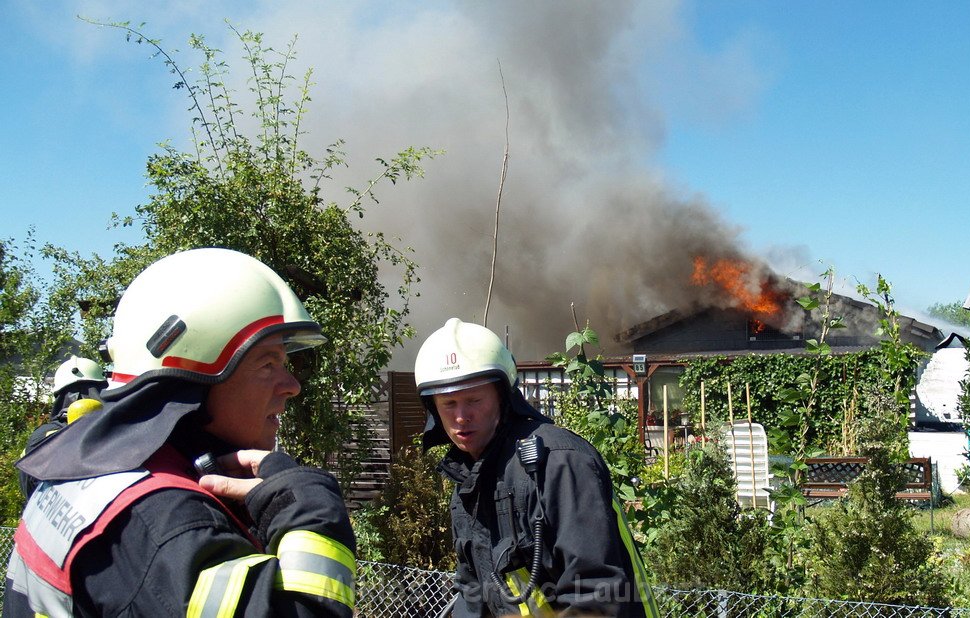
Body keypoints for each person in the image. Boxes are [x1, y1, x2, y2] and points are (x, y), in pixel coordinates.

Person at [4, 247, 356, 617]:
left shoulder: (85, 465)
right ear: (191, 382)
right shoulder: (167, 526)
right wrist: (307, 503)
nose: (292, 385)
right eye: (267, 363)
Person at [415, 318, 660, 617]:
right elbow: (473, 593)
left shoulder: (559, 462)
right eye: (448, 403)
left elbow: (597, 595)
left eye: (474, 399)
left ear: (503, 397)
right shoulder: (470, 479)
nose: (461, 416)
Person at [18, 355, 108, 499]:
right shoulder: (111, 430)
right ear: (101, 389)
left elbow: (27, 486)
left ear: (58, 395)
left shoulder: (39, 436)